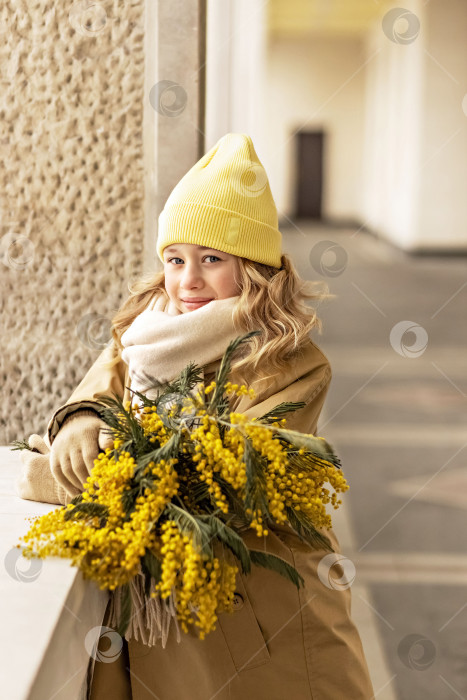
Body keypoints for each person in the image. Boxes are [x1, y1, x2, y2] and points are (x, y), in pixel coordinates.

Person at [17, 133, 375, 699]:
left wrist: (59, 477)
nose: (189, 281)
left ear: (253, 268)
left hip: (257, 601)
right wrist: (83, 425)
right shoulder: (145, 331)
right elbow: (99, 390)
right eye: (175, 259)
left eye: (212, 260)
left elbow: (216, 474)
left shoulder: (287, 363)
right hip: (157, 602)